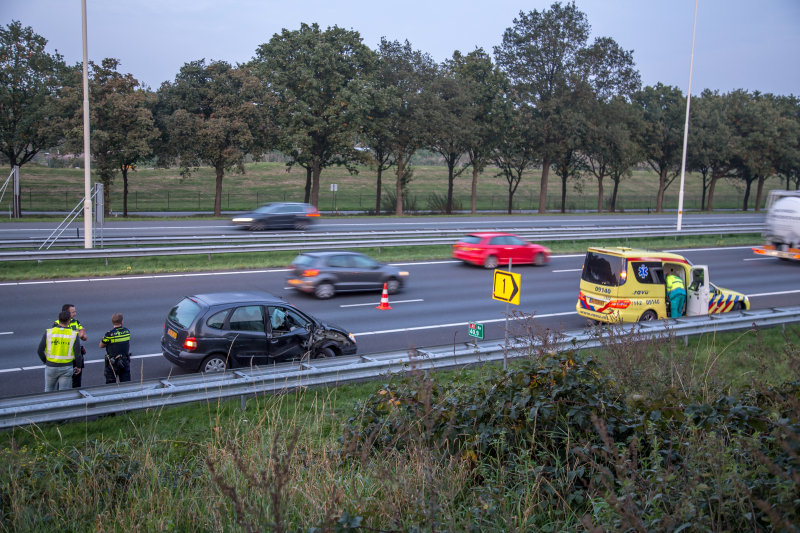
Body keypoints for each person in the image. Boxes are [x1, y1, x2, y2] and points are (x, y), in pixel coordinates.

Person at [38, 310, 81, 391]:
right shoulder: (73, 334)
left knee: (49, 389)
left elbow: (39, 350)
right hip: (66, 367)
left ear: (58, 319)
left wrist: (45, 361)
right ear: (69, 321)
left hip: (51, 366)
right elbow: (77, 354)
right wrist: (78, 366)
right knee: (63, 392)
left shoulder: (49, 332)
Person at [55, 304, 87, 389]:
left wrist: (82, 336)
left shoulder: (76, 322)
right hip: (65, 356)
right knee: (62, 382)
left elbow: (85, 337)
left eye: (75, 311)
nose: (75, 314)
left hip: (76, 356)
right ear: (66, 313)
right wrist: (78, 335)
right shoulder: (57, 323)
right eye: (73, 312)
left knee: (77, 382)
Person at [100, 313, 131, 384]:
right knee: (126, 384)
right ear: (121, 322)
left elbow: (101, 345)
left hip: (112, 363)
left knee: (111, 385)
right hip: (124, 361)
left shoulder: (109, 334)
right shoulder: (127, 331)